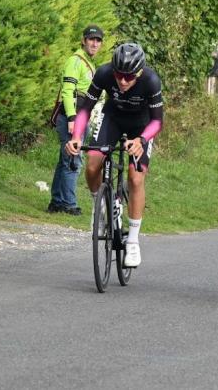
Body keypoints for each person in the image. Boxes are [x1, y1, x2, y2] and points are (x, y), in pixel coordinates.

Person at [66, 42, 164, 267]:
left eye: (129, 77)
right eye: (119, 75)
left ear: (139, 73)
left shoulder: (151, 81)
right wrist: (77, 136)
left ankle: (132, 241)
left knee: (135, 177)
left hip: (142, 126)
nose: (122, 81)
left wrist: (141, 140)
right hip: (113, 119)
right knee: (92, 164)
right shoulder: (103, 73)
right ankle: (101, 208)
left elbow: (158, 121)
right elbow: (86, 109)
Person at [48, 25, 104, 215]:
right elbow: (68, 91)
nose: (94, 43)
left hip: (81, 117)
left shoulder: (89, 63)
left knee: (65, 159)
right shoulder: (75, 61)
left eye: (98, 40)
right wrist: (72, 118)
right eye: (91, 39)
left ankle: (56, 202)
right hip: (73, 118)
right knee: (74, 160)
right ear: (83, 40)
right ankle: (69, 204)